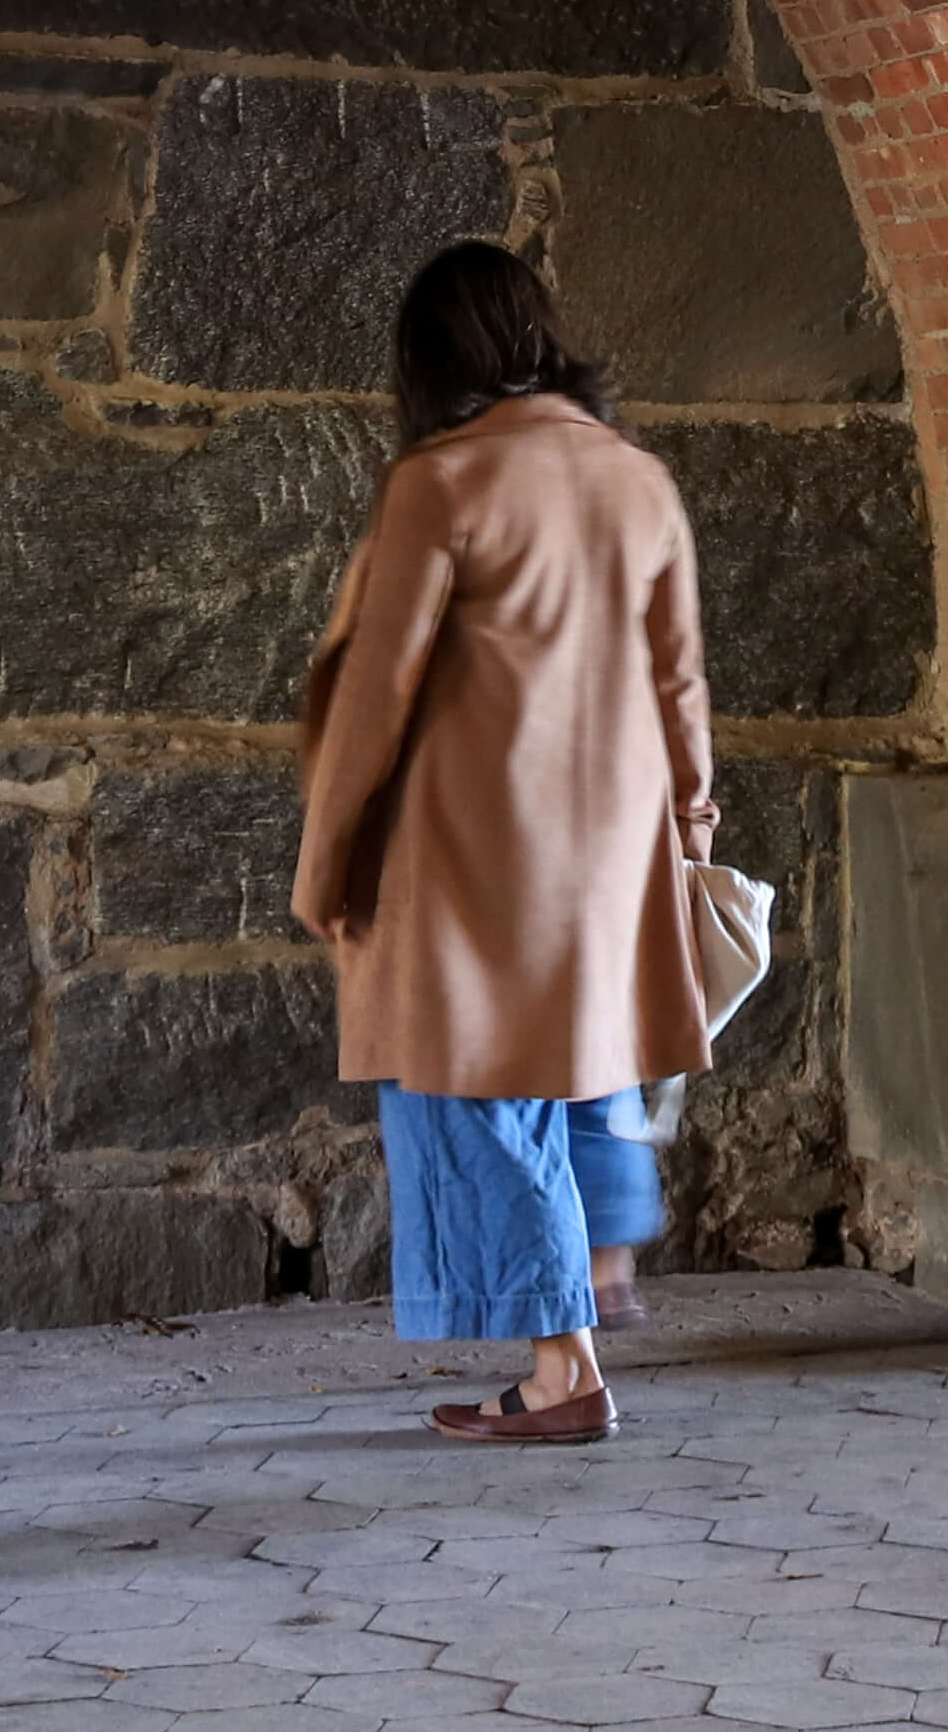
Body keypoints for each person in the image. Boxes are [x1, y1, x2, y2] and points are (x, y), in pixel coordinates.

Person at [291, 240, 719, 1445]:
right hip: (611, 850)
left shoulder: (441, 482)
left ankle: (562, 1366)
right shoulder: (640, 478)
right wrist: (691, 830)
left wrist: (325, 866)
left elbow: (375, 698)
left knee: (473, 1090)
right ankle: (590, 1297)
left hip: (476, 851)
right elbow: (681, 685)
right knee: (581, 1076)